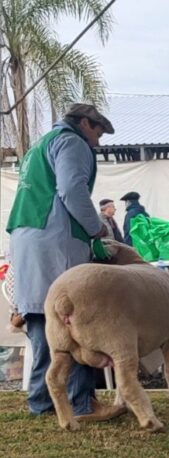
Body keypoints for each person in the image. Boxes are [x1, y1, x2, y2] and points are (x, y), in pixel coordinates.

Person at [5, 103, 124, 420]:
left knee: (41, 318)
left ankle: (41, 402)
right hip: (56, 239)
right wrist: (95, 227)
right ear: (85, 123)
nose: (97, 142)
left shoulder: (39, 145)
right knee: (75, 319)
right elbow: (72, 189)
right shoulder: (72, 142)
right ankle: (82, 401)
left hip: (28, 237)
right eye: (97, 133)